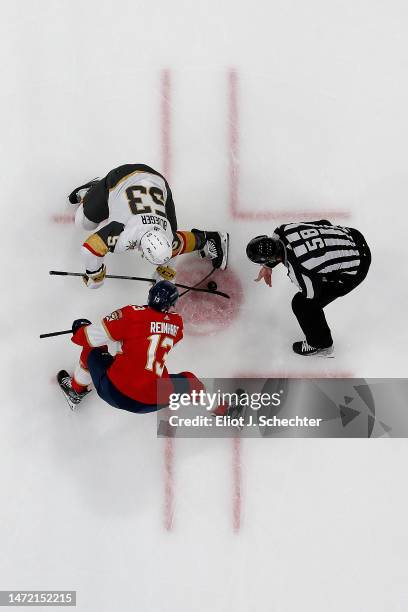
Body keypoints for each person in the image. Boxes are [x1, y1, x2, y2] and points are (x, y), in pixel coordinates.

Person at [69, 163, 229, 288]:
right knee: (84, 223)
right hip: (123, 178)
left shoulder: (166, 235)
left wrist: (166, 273)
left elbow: (176, 245)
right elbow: (89, 250)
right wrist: (95, 275)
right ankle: (93, 192)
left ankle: (211, 238)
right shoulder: (122, 235)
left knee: (174, 239)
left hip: (157, 182)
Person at [57, 281, 203, 412]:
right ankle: (219, 408)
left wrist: (80, 329)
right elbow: (166, 339)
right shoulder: (177, 323)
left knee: (92, 349)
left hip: (116, 392)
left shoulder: (131, 314)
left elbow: (89, 338)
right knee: (189, 381)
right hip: (154, 400)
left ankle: (75, 392)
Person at [246, 220, 371, 356]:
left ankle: (321, 345)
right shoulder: (283, 230)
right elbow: (324, 222)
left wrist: (315, 271)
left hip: (358, 266)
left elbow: (312, 295)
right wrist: (269, 266)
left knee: (302, 305)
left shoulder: (300, 271)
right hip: (352, 235)